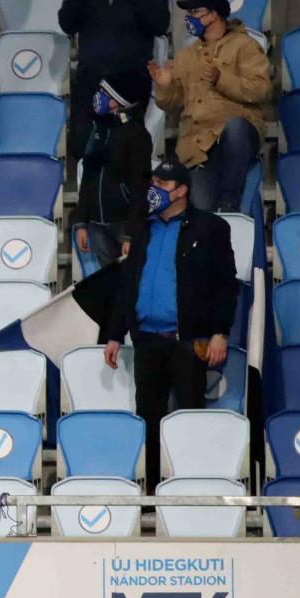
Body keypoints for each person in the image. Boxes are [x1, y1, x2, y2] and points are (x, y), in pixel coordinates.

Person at [97, 160, 237, 489]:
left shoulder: (210, 228)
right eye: (153, 182)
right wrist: (114, 335)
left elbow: (225, 285)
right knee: (150, 421)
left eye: (162, 183)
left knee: (189, 421)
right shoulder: (143, 228)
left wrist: (220, 332)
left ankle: (190, 489)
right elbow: (128, 283)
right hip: (146, 342)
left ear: (182, 190)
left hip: (187, 343)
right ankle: (152, 495)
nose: (154, 189)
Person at [58, 0, 170, 166]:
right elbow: (67, 24)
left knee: (123, 148)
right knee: (83, 145)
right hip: (90, 77)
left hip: (129, 79)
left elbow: (159, 25)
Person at [148, 0, 271, 213]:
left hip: (235, 136)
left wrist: (220, 79)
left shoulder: (244, 45)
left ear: (213, 15)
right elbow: (172, 104)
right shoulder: (186, 55)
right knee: (201, 213)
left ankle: (228, 204)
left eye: (195, 12)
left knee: (235, 127)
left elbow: (260, 89)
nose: (189, 18)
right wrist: (164, 86)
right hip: (197, 145)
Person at [71, 69, 154, 271]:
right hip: (97, 225)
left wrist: (130, 234)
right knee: (109, 285)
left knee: (131, 283)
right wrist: (81, 222)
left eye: (105, 92)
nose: (98, 95)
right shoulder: (98, 129)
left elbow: (139, 186)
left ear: (118, 99)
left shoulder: (137, 135)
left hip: (123, 224)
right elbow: (88, 177)